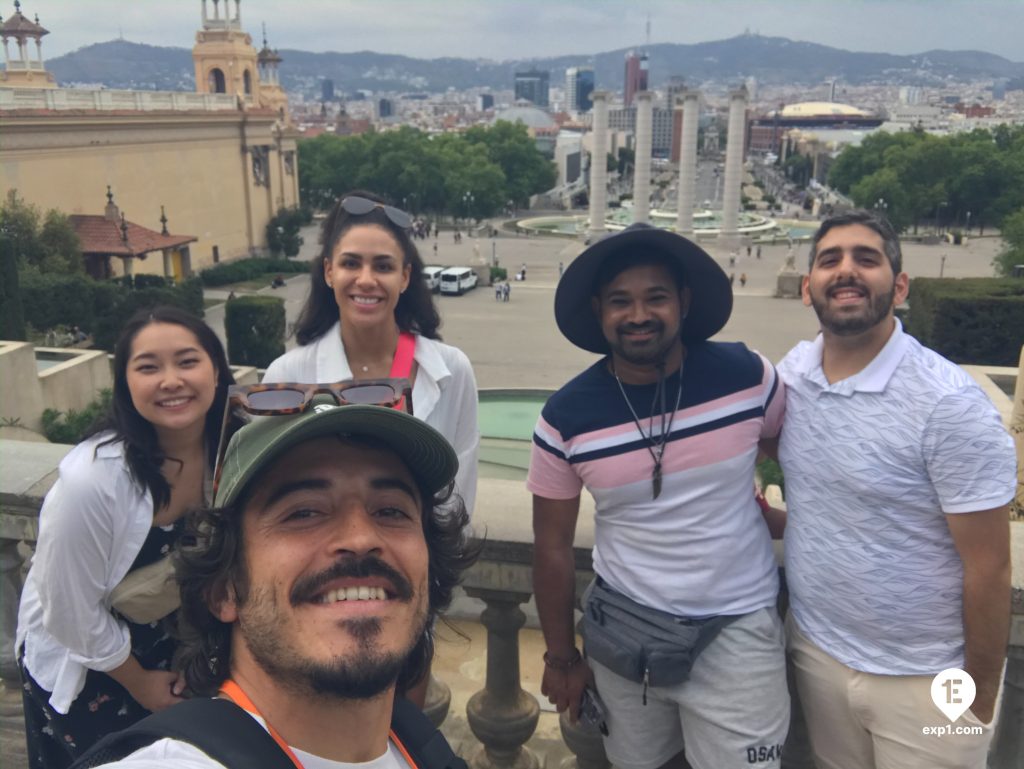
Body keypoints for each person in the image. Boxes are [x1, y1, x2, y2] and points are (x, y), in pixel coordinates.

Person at [82, 395, 479, 768]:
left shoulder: (418, 743)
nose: (361, 538)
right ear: (225, 590)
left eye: (391, 510)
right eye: (304, 513)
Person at [529, 223, 789, 769]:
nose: (639, 314)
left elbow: (787, 457)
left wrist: (765, 506)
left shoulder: (747, 376)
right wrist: (560, 657)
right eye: (621, 301)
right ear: (600, 310)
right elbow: (550, 546)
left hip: (737, 631)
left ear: (685, 303)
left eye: (656, 298)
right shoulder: (565, 418)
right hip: (627, 641)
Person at [770, 210, 1015, 769]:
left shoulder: (947, 405)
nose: (847, 270)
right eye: (830, 260)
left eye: (867, 258)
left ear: (899, 286)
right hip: (818, 651)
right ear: (808, 289)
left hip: (929, 678)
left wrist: (975, 695)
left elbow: (990, 568)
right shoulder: (792, 376)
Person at [262, 190, 479, 705]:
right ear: (328, 272)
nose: (367, 280)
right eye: (352, 264)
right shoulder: (288, 375)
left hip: (407, 587)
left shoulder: (449, 372)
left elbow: (457, 493)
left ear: (405, 278)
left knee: (398, 726)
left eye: (383, 266)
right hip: (316, 588)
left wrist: (428, 599)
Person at [17, 306, 236, 768]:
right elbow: (67, 612)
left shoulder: (232, 449)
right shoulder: (92, 481)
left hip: (180, 650)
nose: (171, 380)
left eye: (187, 361)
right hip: (95, 666)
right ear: (125, 384)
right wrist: (137, 681)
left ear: (216, 370)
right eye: (149, 367)